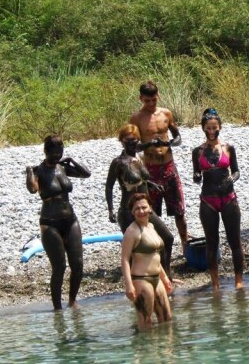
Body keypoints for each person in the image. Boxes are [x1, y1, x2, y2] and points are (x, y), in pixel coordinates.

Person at [26, 135, 91, 310]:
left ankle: (72, 300)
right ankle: (57, 308)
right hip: (50, 223)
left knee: (77, 263)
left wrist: (71, 160)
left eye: (60, 152)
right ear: (45, 151)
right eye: (54, 152)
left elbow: (86, 174)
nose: (57, 155)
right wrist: (29, 173)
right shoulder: (39, 170)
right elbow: (32, 189)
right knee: (60, 266)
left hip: (70, 220)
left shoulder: (62, 168)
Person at [105, 123, 175, 278]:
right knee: (134, 248)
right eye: (128, 140)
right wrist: (110, 210)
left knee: (167, 238)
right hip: (128, 211)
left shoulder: (139, 157)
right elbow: (109, 186)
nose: (132, 143)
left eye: (135, 140)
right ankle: (134, 282)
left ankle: (166, 276)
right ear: (121, 141)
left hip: (145, 208)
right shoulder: (118, 162)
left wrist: (152, 184)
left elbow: (141, 180)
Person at [129, 81, 189, 251]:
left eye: (153, 100)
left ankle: (185, 244)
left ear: (158, 97)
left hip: (169, 167)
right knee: (152, 211)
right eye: (147, 101)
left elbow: (178, 137)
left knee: (179, 210)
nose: (150, 104)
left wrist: (170, 142)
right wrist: (147, 146)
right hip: (151, 170)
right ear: (140, 98)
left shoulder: (166, 114)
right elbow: (132, 146)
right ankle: (155, 247)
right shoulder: (136, 118)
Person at [192, 108, 244, 290]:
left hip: (229, 197)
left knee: (234, 240)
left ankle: (239, 280)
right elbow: (196, 174)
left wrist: (232, 178)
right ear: (204, 129)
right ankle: (215, 283)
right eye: (208, 128)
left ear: (220, 127)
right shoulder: (197, 151)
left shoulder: (228, 149)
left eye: (215, 127)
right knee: (211, 242)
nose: (212, 131)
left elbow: (236, 171)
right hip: (208, 200)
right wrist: (197, 176)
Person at [121, 193, 172, 331]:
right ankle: (145, 351)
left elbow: (155, 255)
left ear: (150, 208)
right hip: (141, 280)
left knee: (167, 319)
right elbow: (125, 259)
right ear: (132, 211)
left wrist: (165, 277)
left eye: (144, 207)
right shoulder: (131, 231)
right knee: (146, 321)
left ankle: (167, 351)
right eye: (137, 208)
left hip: (157, 278)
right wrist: (129, 285)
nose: (141, 211)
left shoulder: (151, 227)